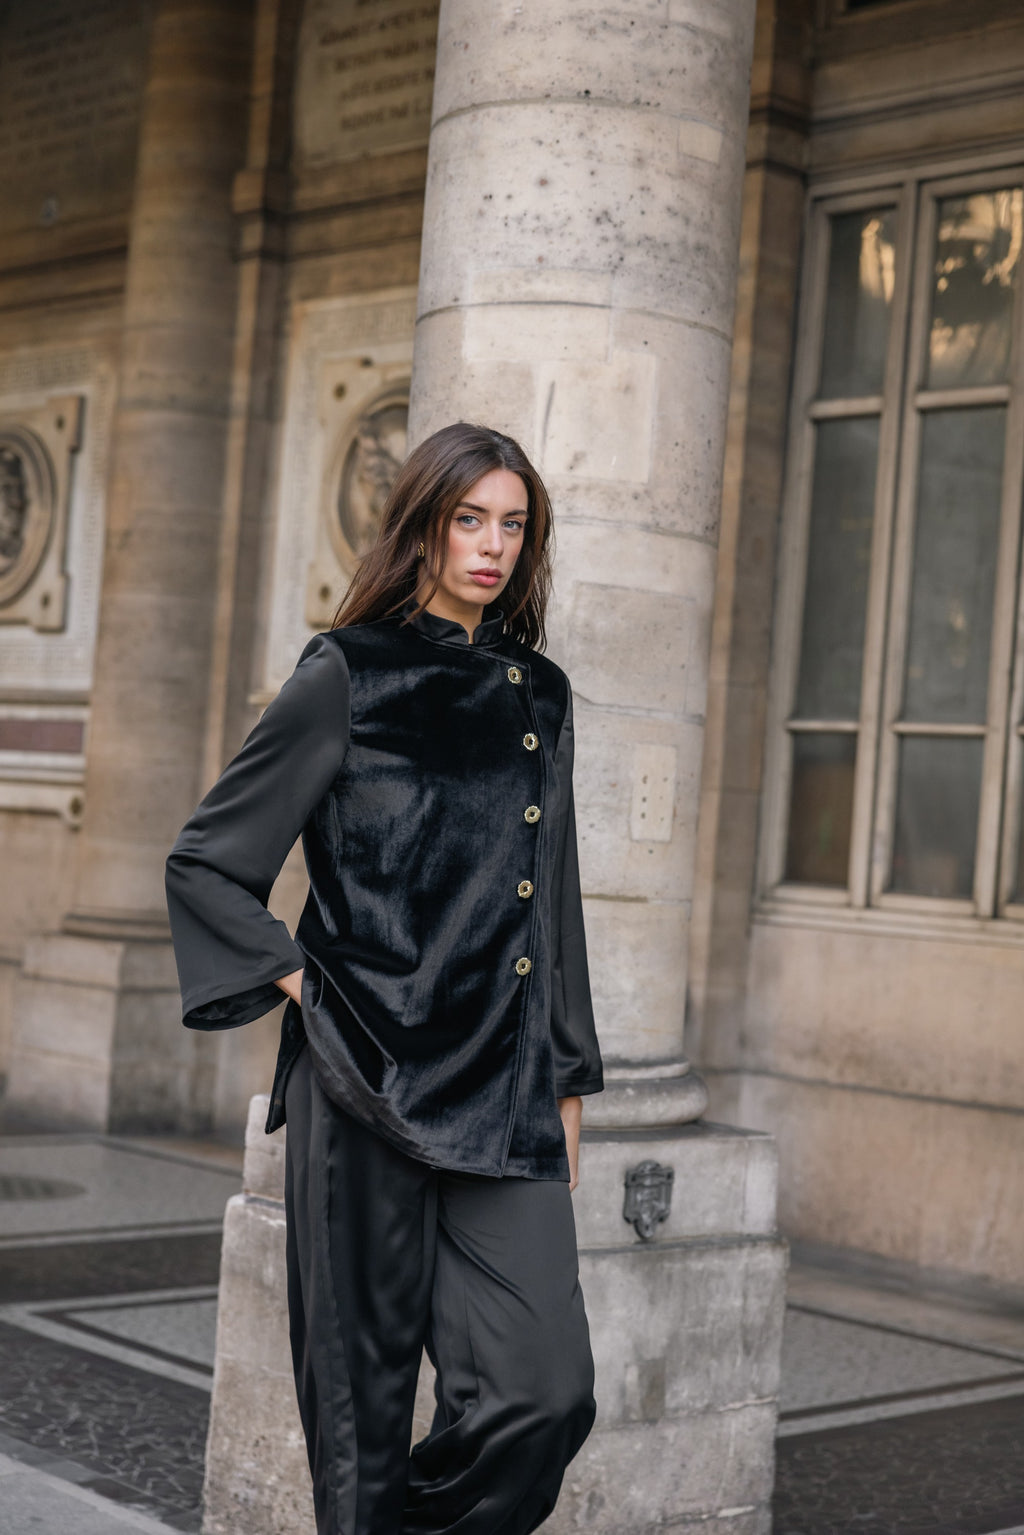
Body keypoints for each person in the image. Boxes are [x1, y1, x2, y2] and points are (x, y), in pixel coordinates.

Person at [165, 422, 604, 1535]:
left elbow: (550, 904)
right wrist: (306, 987)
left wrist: (565, 1082)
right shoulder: (345, 673)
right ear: (424, 525)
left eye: (513, 524)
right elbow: (209, 864)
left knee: (542, 1394)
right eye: (470, 519)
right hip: (361, 1084)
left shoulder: (536, 695)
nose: (492, 546)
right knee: (357, 1418)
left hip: (501, 1094)